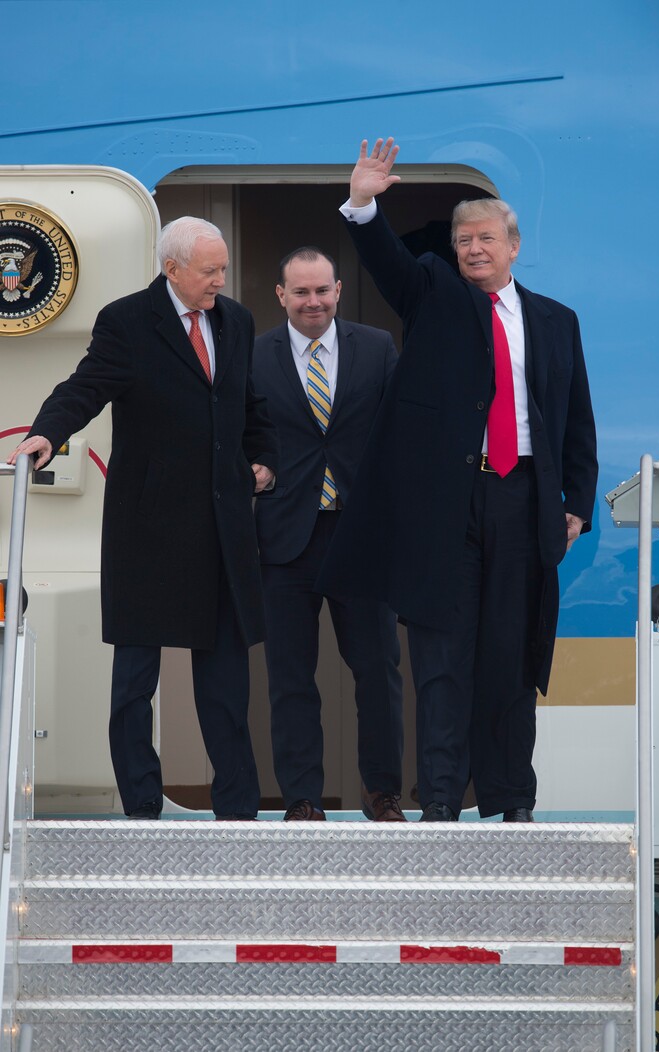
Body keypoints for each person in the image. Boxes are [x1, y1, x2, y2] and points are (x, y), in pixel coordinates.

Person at [318, 138, 598, 823]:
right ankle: (441, 801)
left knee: (511, 657)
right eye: (462, 239)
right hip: (449, 504)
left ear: (513, 245)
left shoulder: (557, 322)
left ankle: (511, 801)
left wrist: (577, 505)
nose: (472, 249)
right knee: (442, 661)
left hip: (523, 500)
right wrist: (362, 203)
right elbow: (389, 264)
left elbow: (577, 422)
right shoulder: (435, 293)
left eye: (485, 239)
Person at [8, 217, 278, 821]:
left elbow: (249, 404)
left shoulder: (234, 320)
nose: (221, 280)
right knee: (135, 684)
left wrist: (263, 460)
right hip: (149, 527)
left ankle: (237, 811)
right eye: (210, 271)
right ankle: (141, 808)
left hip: (221, 529)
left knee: (227, 686)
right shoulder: (128, 321)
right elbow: (85, 386)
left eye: (224, 268)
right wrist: (45, 435)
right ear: (172, 268)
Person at [252, 246, 404, 822]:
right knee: (291, 677)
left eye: (322, 291)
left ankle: (383, 794)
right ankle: (302, 799)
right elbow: (243, 433)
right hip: (284, 539)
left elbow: (400, 434)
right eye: (300, 292)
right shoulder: (254, 353)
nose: (312, 302)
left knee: (378, 672)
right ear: (281, 295)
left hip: (360, 536)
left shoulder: (377, 347)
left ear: (338, 290)